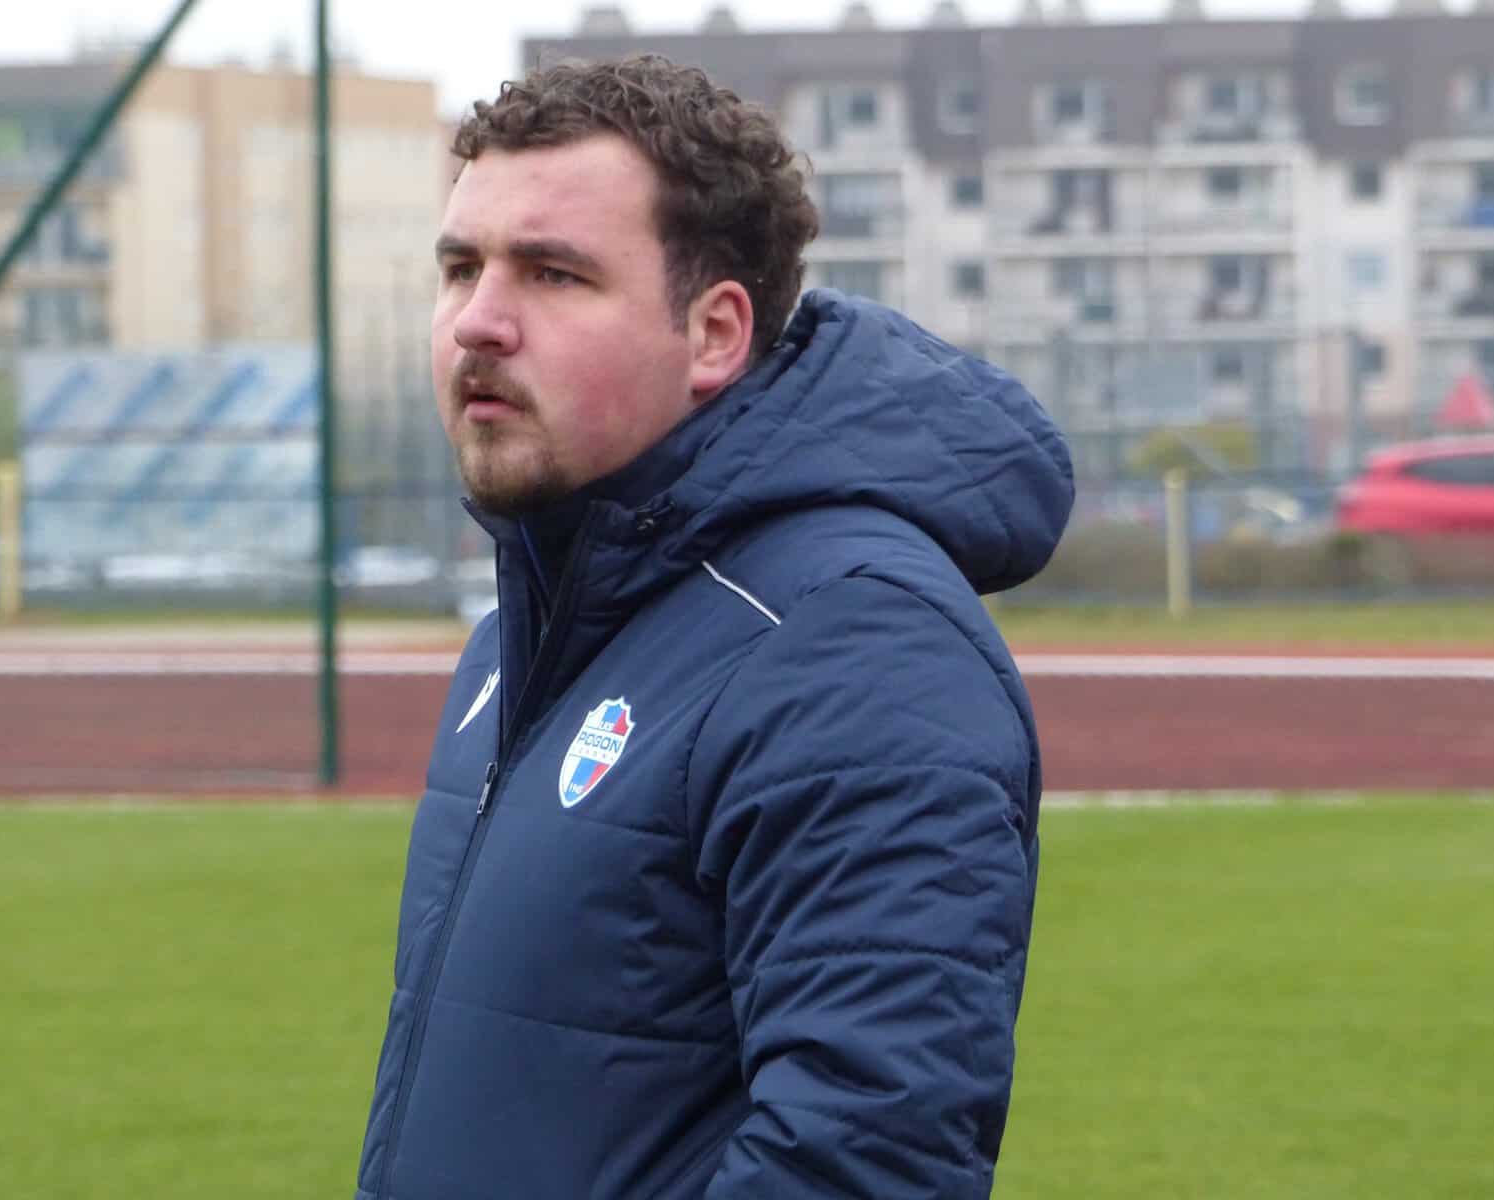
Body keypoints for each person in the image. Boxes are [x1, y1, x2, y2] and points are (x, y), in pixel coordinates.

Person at [356, 54, 1074, 1199]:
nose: (478, 323)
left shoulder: (851, 644)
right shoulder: (532, 627)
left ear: (713, 333)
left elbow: (865, 1160)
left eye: (552, 274)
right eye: (459, 268)